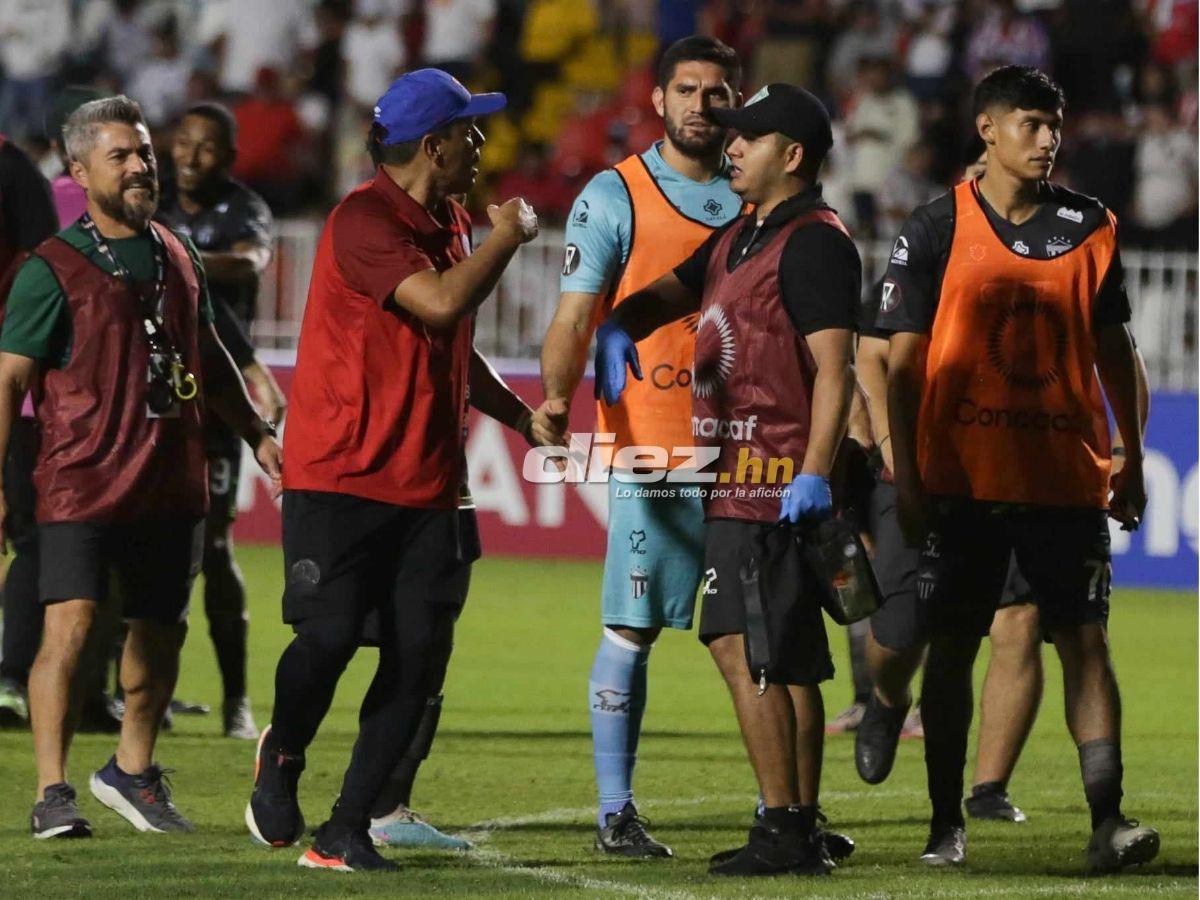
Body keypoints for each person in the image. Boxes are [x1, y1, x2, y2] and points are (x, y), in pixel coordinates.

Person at [244, 69, 550, 873]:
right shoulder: (362, 219)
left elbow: (453, 341)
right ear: (434, 145)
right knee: (329, 636)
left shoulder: (449, 221)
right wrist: (508, 238)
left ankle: (344, 831)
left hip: (429, 481)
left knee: (417, 657)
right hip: (341, 472)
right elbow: (441, 303)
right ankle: (284, 750)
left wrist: (521, 417)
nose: (481, 145)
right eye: (470, 132)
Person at [879, 66, 1158, 870]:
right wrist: (907, 480)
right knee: (953, 649)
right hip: (963, 481)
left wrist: (1131, 456)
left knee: (1085, 642)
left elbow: (1114, 349)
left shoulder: (1090, 225)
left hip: (1065, 479)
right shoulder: (935, 227)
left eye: (1054, 125)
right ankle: (945, 825)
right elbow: (902, 367)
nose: (1048, 140)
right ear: (988, 130)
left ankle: (1108, 820)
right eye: (1031, 124)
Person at [596, 83, 862, 878]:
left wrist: (814, 473)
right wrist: (619, 324)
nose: (732, 146)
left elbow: (837, 369)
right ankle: (798, 824)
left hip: (772, 481)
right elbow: (669, 291)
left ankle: (783, 826)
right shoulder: (741, 236)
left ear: (793, 155)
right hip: (740, 478)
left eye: (750, 136)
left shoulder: (813, 244)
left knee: (744, 646)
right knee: (783, 655)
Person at [0, 95, 282, 840]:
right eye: (120, 155)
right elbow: (8, 380)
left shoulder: (178, 253)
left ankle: (132, 770)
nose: (139, 167)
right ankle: (52, 791)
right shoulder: (49, 269)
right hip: (81, 481)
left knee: (160, 634)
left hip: (169, 479)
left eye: (144, 153)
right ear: (79, 170)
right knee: (70, 627)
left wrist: (257, 434)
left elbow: (209, 358)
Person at [539, 35, 744, 859]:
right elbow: (572, 317)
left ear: (735, 101)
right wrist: (556, 397)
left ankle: (786, 812)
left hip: (751, 447)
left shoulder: (759, 191)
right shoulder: (615, 194)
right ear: (657, 100)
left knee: (762, 632)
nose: (700, 104)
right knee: (633, 628)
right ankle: (615, 813)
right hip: (654, 448)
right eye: (685, 90)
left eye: (716, 91)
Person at [156, 101, 287, 740]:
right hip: (153, 396)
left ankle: (237, 700)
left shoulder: (243, 208)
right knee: (144, 546)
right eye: (183, 141)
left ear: (229, 157)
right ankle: (141, 692)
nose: (190, 155)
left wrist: (170, 255)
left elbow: (249, 261)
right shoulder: (155, 203)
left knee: (213, 545)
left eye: (205, 146)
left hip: (217, 398)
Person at [0, 133, 59, 728]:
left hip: (10, 381)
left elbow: (41, 269)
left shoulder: (12, 169)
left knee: (27, 534)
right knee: (29, 538)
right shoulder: (16, 169)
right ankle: (10, 675)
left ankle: (10, 675)